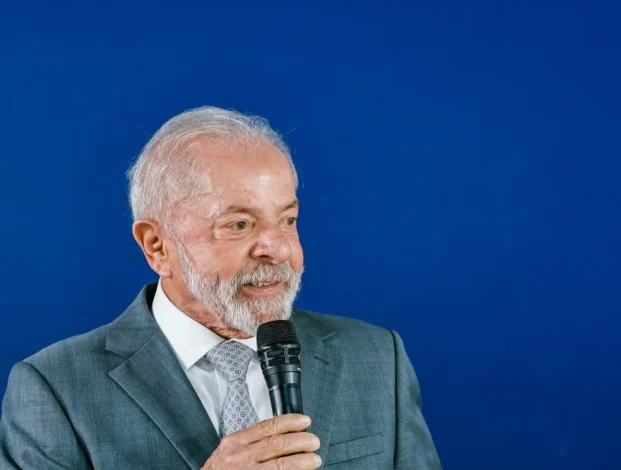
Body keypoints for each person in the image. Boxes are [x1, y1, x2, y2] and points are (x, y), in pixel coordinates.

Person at [0, 107, 441, 469]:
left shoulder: (378, 359)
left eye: (288, 219)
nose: (276, 249)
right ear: (156, 246)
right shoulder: (54, 390)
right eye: (239, 225)